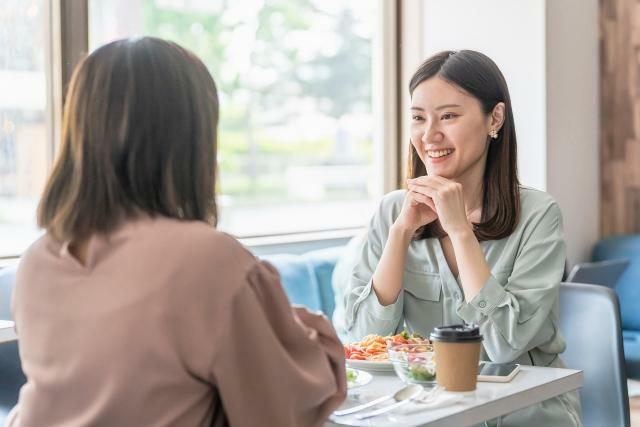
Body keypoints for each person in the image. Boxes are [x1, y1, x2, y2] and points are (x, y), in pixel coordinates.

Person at [7, 37, 346, 427]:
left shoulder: (36, 263)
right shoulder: (207, 260)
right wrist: (306, 332)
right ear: (191, 135)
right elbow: (285, 408)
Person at [344, 50, 581, 426]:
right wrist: (401, 232)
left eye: (449, 116)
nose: (429, 135)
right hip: (433, 416)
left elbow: (504, 344)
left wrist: (459, 230)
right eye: (419, 118)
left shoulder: (539, 215)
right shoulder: (392, 213)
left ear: (495, 118)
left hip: (524, 415)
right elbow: (364, 340)